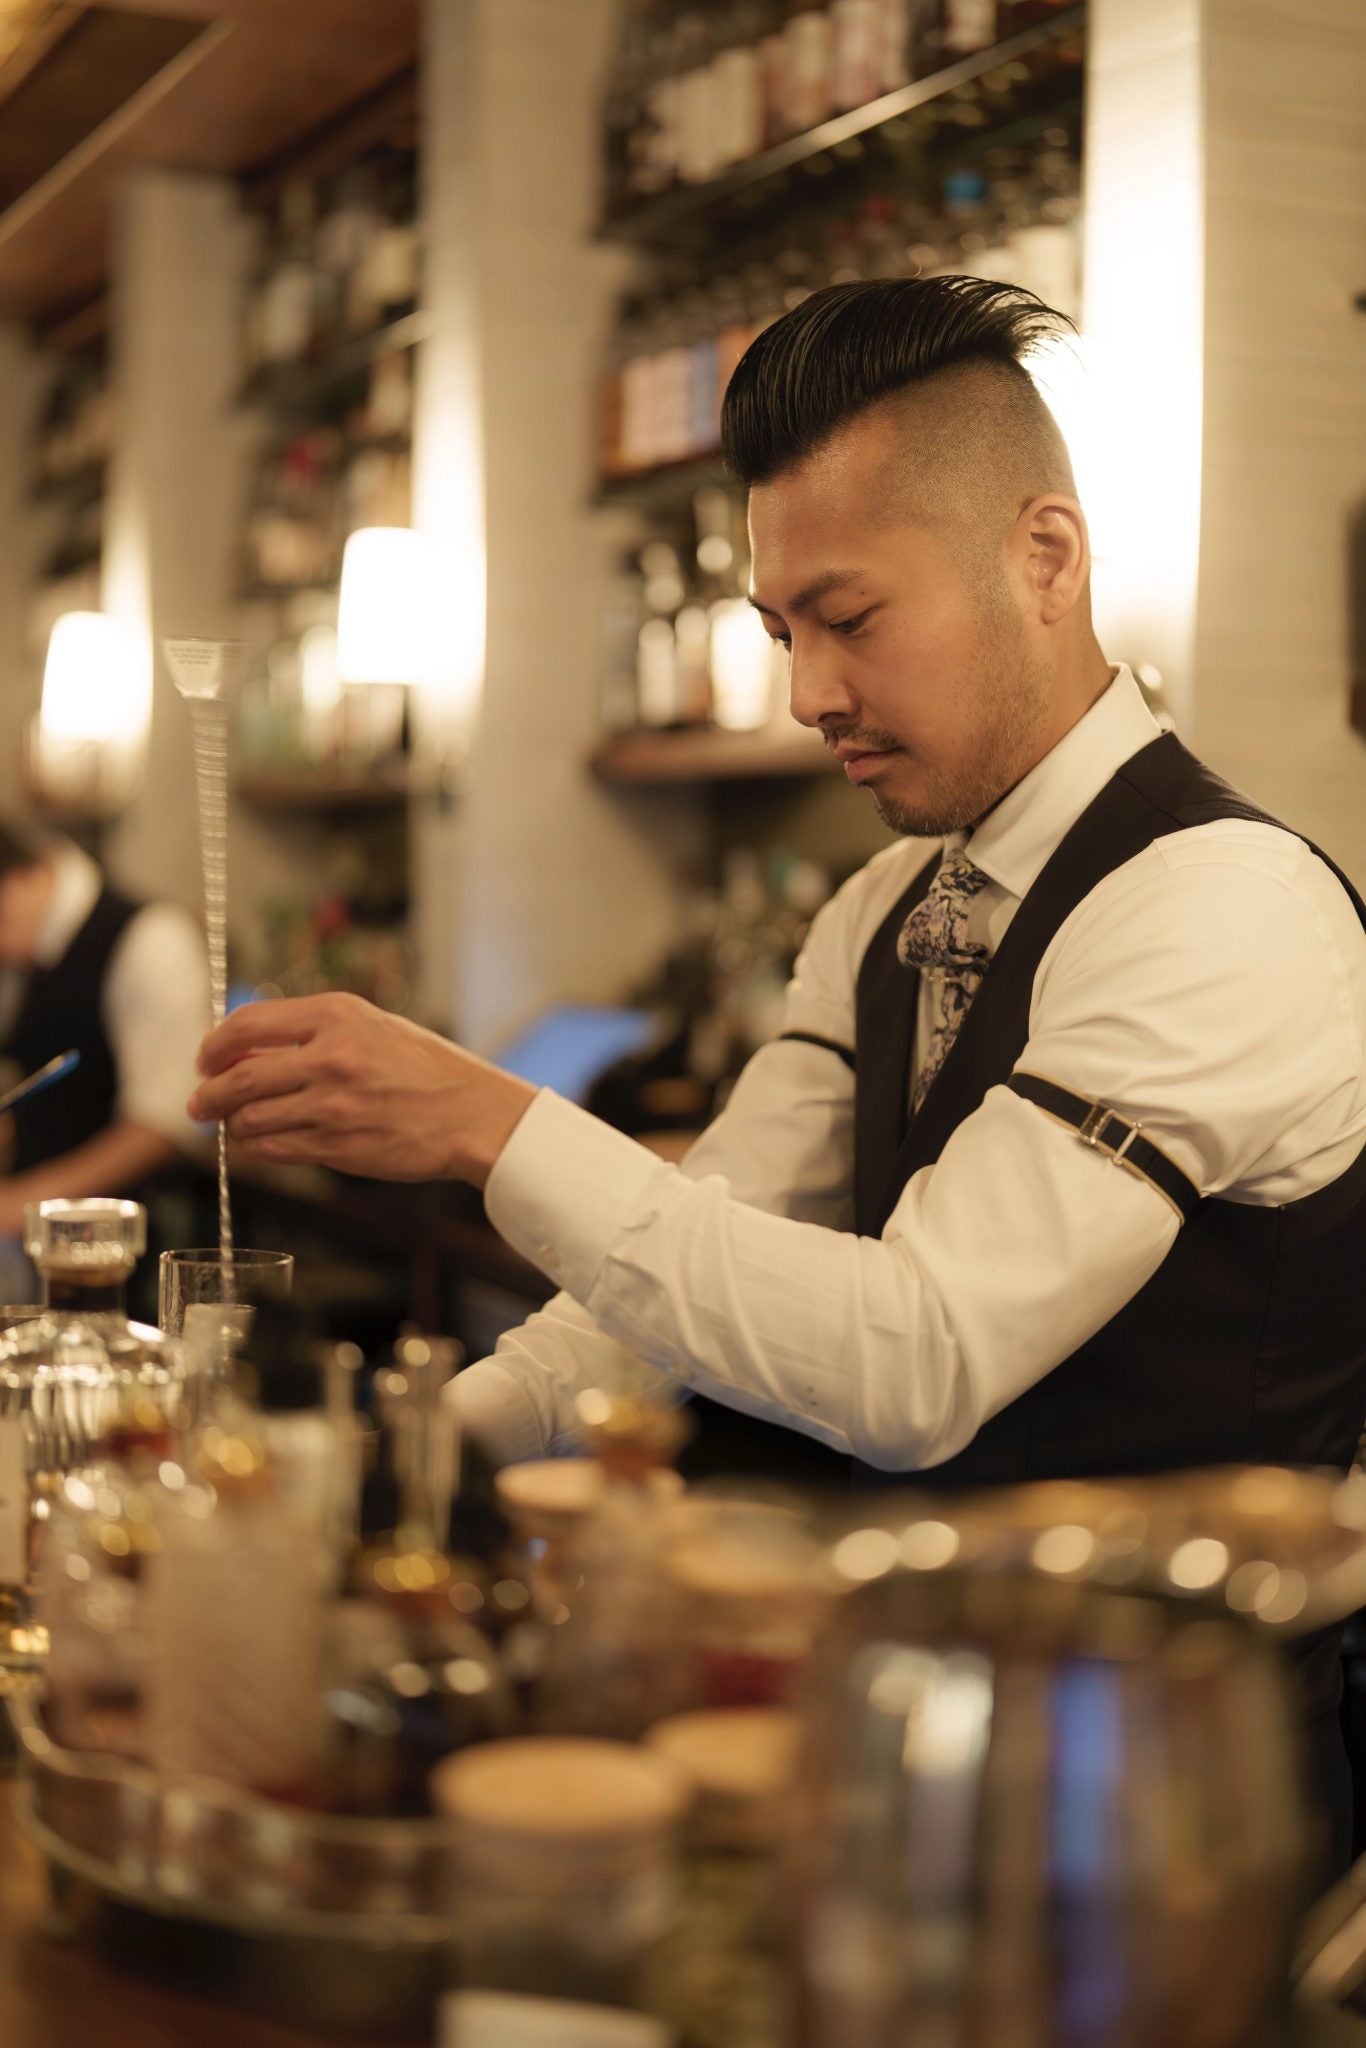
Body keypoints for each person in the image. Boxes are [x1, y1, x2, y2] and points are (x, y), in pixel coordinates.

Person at [189, 278, 1366, 1865]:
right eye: (778, 631)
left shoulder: (1220, 902)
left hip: (1171, 1801)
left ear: (1045, 558)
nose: (807, 692)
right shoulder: (882, 907)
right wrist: (395, 1463)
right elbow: (680, 1275)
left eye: (848, 619)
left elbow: (918, 1363)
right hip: (907, 1737)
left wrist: (490, 1124)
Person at [0, 818, 210, 1271]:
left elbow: (165, 1124)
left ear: (23, 876)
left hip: (131, 1257)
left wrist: (23, 1205)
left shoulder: (153, 939)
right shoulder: (26, 951)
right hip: (35, 1250)